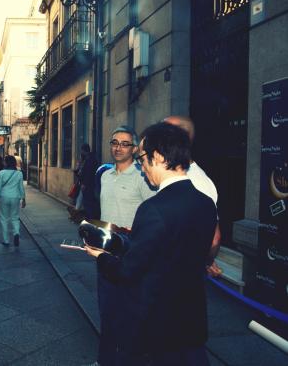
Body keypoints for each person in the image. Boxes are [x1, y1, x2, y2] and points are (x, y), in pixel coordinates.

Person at [85, 122, 217, 365]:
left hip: (158, 321)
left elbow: (128, 271)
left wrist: (99, 256)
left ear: (157, 156)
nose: (142, 166)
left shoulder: (153, 209)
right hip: (191, 315)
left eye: (143, 158)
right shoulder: (205, 202)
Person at [95, 126, 156, 365]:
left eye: (125, 143)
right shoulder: (104, 175)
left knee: (131, 313)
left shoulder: (142, 176)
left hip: (132, 252)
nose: (118, 147)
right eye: (114, 142)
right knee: (106, 310)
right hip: (105, 250)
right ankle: (105, 360)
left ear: (134, 148)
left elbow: (154, 215)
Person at [164, 115, 222, 277]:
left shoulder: (198, 181)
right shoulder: (167, 172)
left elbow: (214, 238)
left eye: (163, 133)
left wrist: (204, 261)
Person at [0, 155, 25, 246]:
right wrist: (23, 198)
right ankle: (16, 233)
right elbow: (21, 187)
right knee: (15, 217)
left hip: (4, 197)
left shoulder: (1, 173)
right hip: (15, 197)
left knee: (4, 218)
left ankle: (6, 240)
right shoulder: (19, 173)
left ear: (5, 162)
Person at [79, 144, 100, 219]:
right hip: (90, 184)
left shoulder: (90, 159)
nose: (81, 151)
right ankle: (90, 217)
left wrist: (84, 184)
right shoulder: (89, 158)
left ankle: (90, 218)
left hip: (88, 185)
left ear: (84, 150)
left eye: (81, 150)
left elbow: (88, 173)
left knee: (88, 202)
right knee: (88, 201)